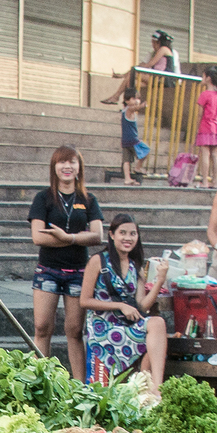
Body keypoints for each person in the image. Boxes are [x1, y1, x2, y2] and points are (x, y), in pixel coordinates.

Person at [27, 146, 103, 377]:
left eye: (72, 162)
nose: (67, 166)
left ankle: (79, 386)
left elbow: (98, 235)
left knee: (74, 331)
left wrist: (66, 237)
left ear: (79, 168)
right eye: (62, 162)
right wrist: (78, 239)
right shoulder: (43, 198)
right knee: (42, 328)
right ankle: (39, 380)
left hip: (79, 272)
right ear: (54, 167)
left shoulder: (88, 200)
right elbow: (37, 236)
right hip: (48, 271)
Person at [82, 214, 168, 387]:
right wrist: (120, 305)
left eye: (133, 234)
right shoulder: (98, 261)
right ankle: (144, 384)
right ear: (112, 235)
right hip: (103, 328)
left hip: (127, 326)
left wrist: (159, 280)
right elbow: (84, 301)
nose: (128, 238)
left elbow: (142, 306)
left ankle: (155, 388)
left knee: (157, 323)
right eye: (123, 233)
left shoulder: (135, 266)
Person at [178, 70, 217, 187]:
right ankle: (215, 182)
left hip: (206, 126)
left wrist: (197, 127)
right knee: (214, 154)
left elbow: (200, 114)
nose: (201, 79)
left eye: (203, 76)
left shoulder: (204, 95)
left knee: (205, 154)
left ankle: (204, 181)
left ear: (208, 78)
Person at [115, 81, 147, 185]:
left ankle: (127, 178)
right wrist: (141, 106)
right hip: (133, 140)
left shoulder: (125, 110)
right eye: (134, 98)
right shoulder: (129, 110)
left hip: (125, 141)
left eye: (137, 98)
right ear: (127, 100)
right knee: (145, 151)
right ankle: (138, 168)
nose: (136, 100)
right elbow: (134, 108)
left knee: (126, 161)